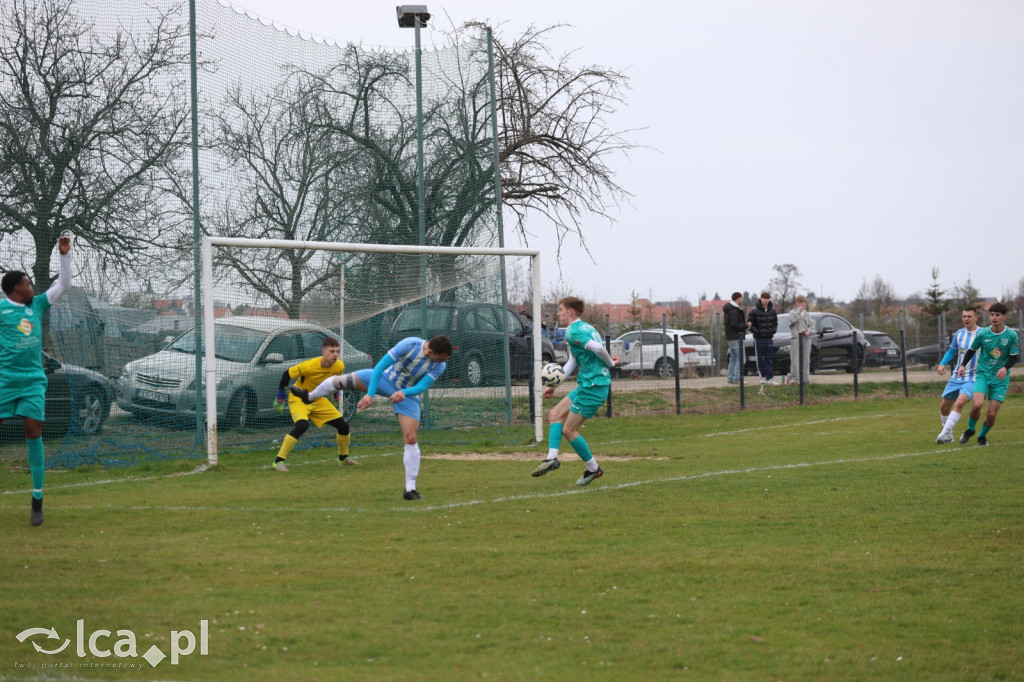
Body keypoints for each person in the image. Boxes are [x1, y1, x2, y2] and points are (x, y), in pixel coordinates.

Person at [291, 335, 452, 500]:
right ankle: (309, 397)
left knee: (411, 437)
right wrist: (370, 394)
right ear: (431, 351)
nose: (441, 362)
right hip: (383, 378)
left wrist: (404, 392)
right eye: (439, 359)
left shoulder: (440, 365)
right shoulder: (409, 345)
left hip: (407, 393)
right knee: (341, 381)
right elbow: (380, 366)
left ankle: (410, 490)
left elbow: (421, 386)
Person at [1, 236, 72, 527]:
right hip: (4, 379)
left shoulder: (39, 305)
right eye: (28, 284)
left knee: (32, 431)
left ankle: (37, 499)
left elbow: (63, 285)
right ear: (16, 288)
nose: (32, 287)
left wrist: (64, 256)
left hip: (32, 380)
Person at [531, 296, 619, 486]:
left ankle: (594, 469)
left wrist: (611, 363)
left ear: (570, 312)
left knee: (569, 430)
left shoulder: (573, 331)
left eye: (561, 309)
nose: (558, 313)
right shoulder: (586, 328)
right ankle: (551, 458)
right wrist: (553, 385)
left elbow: (597, 348)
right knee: (554, 414)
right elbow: (573, 361)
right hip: (586, 385)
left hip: (594, 387)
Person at [272, 336, 355, 472]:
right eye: (331, 351)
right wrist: (280, 398)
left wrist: (335, 395)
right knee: (302, 426)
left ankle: (343, 459)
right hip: (299, 398)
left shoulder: (339, 365)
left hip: (318, 398)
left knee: (343, 426)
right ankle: (278, 462)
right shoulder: (309, 366)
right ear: (323, 352)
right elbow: (286, 374)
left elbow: (336, 379)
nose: (335, 355)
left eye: (337, 351)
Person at [954, 302, 1018, 446]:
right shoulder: (983, 334)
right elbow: (971, 350)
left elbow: (1014, 357)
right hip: (983, 374)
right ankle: (970, 430)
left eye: (997, 315)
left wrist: (1005, 368)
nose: (994, 318)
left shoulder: (1011, 335)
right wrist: (962, 365)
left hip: (1000, 379)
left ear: (1004, 317)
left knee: (991, 414)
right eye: (992, 314)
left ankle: (982, 436)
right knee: (977, 405)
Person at [934, 308, 980, 444]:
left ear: (976, 318)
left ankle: (942, 435)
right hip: (957, 376)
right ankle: (948, 435)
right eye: (964, 316)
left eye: (969, 316)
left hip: (974, 377)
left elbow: (992, 353)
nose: (966, 319)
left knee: (960, 402)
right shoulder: (959, 334)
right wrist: (942, 364)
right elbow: (951, 351)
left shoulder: (983, 334)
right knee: (943, 407)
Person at [747, 291, 779, 385]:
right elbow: (750, 325)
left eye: (767, 299)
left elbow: (775, 323)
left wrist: (773, 330)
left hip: (769, 339)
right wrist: (758, 332)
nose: (766, 300)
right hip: (759, 339)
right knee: (760, 359)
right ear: (761, 299)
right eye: (764, 298)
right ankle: (762, 377)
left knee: (768, 358)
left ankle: (770, 378)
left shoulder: (772, 312)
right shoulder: (754, 311)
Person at [786, 295, 812, 385]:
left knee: (806, 360)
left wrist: (808, 331)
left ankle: (805, 379)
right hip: (795, 338)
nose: (800, 304)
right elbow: (792, 320)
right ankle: (795, 380)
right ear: (796, 303)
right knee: (795, 360)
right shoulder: (792, 313)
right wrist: (798, 311)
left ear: (804, 303)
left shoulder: (807, 314)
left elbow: (812, 326)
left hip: (806, 339)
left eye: (802, 302)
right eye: (798, 302)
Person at [723, 292, 747, 384]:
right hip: (736, 336)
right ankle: (737, 378)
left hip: (730, 337)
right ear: (738, 298)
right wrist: (745, 326)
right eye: (741, 298)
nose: (742, 300)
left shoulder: (729, 309)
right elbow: (734, 324)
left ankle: (731, 378)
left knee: (733, 358)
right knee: (741, 358)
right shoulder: (734, 310)